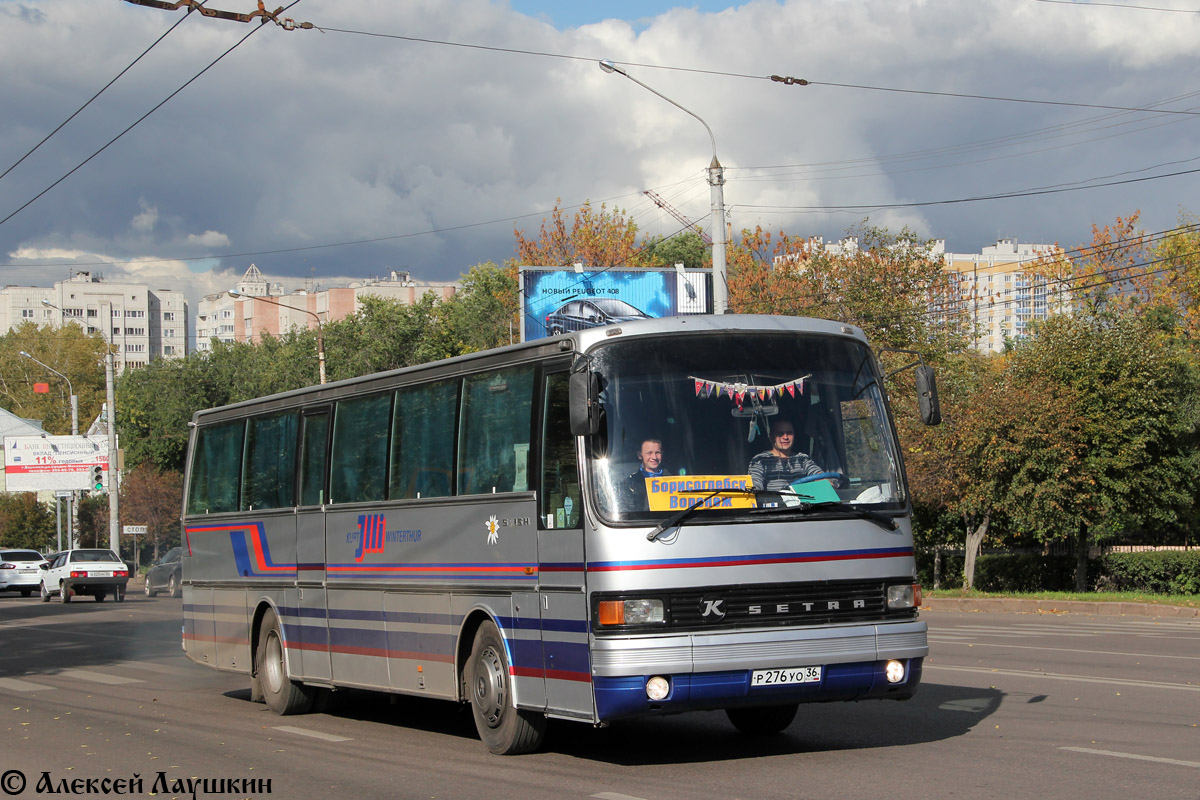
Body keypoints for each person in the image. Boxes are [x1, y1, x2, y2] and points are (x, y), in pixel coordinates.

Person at [748, 418, 826, 491]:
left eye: (789, 433)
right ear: (771, 436)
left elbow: (818, 474)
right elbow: (755, 486)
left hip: (802, 503)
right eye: (780, 433)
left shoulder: (803, 459)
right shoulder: (760, 460)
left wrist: (824, 480)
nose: (785, 437)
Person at [622, 438, 666, 511]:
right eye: (649, 453)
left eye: (657, 452)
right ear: (640, 455)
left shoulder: (674, 480)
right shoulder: (629, 484)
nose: (654, 457)